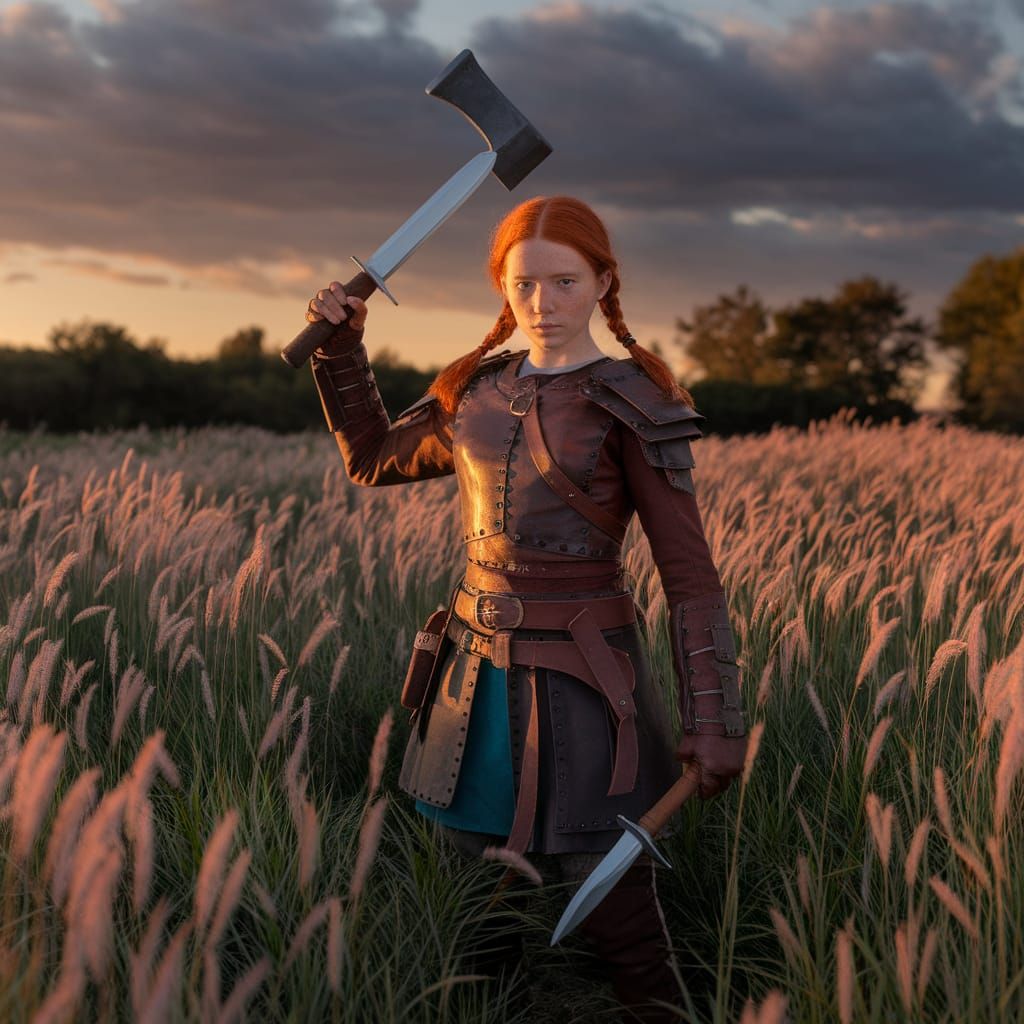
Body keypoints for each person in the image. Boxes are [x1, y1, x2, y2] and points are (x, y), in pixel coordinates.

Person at [305, 195, 748, 1022]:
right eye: (524, 284)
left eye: (565, 281)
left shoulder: (632, 401)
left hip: (590, 685)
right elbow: (369, 459)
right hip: (473, 677)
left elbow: (691, 578)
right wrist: (341, 349)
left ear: (604, 281)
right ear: (501, 287)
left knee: (619, 910)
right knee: (479, 908)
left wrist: (714, 718)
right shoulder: (474, 394)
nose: (543, 303)